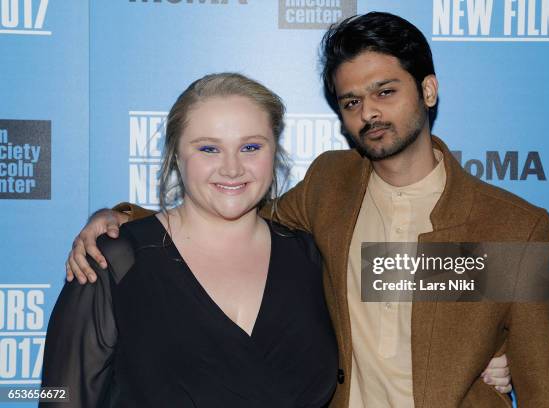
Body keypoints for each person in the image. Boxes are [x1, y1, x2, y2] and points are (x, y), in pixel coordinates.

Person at [61, 13, 548, 408]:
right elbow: (230, 209)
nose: (369, 113)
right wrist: (118, 219)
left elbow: (544, 385)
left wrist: (488, 351)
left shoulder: (513, 227)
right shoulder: (329, 188)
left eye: (386, 91)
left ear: (428, 91)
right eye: (351, 101)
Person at [41, 73, 339, 407]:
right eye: (209, 149)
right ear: (176, 155)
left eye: (251, 147)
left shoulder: (310, 257)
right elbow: (62, 398)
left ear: (274, 152)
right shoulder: (113, 259)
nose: (231, 168)